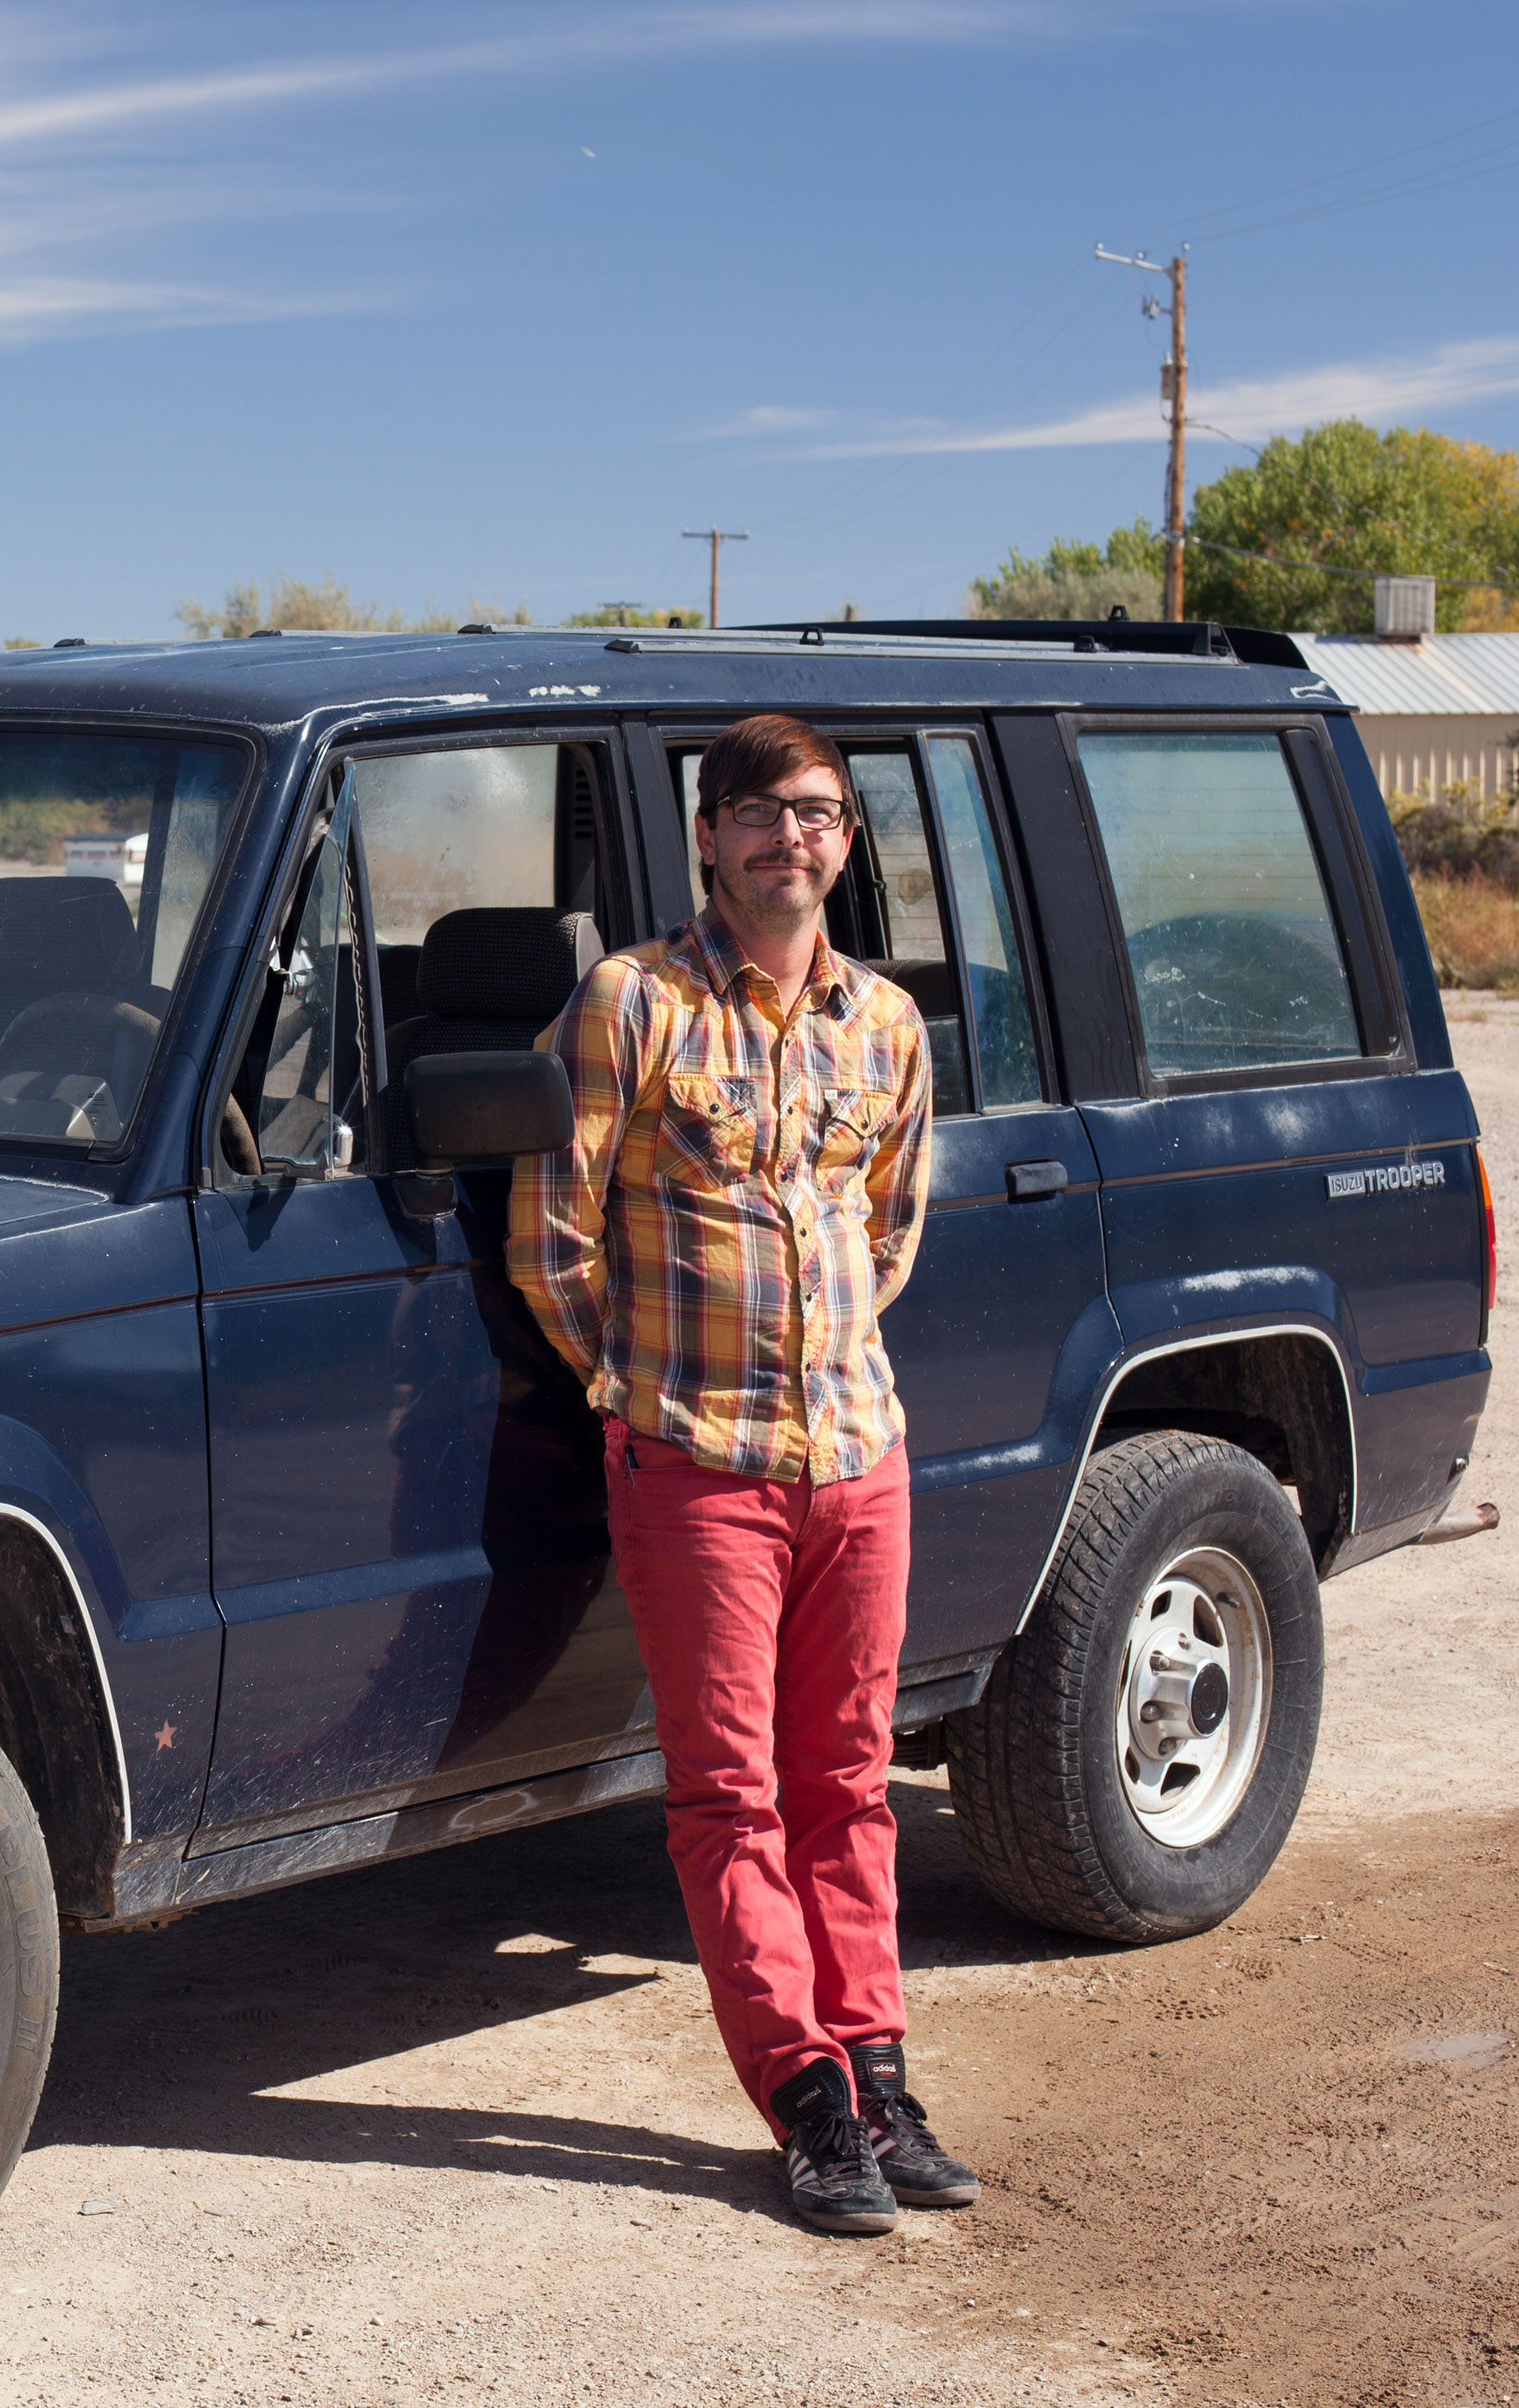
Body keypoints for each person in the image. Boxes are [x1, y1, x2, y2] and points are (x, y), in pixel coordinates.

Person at [505, 712, 978, 2237]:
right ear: (708, 835)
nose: (792, 837)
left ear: (848, 838)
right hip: (696, 1465)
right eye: (762, 812)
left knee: (850, 1785)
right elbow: (553, 1237)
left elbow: (889, 1229)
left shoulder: (884, 1024)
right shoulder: (632, 1003)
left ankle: (882, 2079)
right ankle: (808, 2104)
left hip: (859, 1458)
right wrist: (634, 1390)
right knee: (731, 1797)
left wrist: (823, 1377)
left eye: (819, 813)